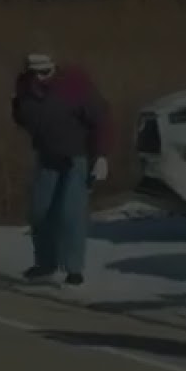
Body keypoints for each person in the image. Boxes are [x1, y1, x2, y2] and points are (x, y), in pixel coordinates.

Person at [10, 53, 112, 286]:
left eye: (45, 72)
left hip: (77, 156)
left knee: (70, 213)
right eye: (34, 72)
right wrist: (16, 108)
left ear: (54, 68)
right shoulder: (25, 87)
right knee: (40, 210)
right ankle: (45, 264)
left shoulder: (74, 86)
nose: (40, 77)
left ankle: (74, 268)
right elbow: (25, 118)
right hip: (47, 155)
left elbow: (101, 118)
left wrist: (101, 155)